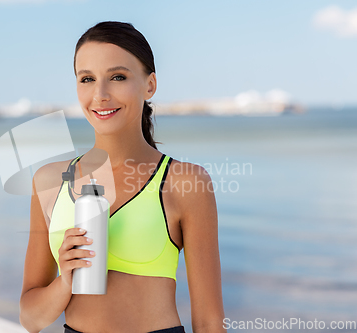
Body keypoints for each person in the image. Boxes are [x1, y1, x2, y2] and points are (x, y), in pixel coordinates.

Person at [19, 21, 226, 333]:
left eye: (118, 77)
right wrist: (65, 281)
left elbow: (209, 322)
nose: (100, 94)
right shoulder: (49, 182)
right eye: (87, 79)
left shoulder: (186, 182)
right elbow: (30, 320)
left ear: (149, 85)